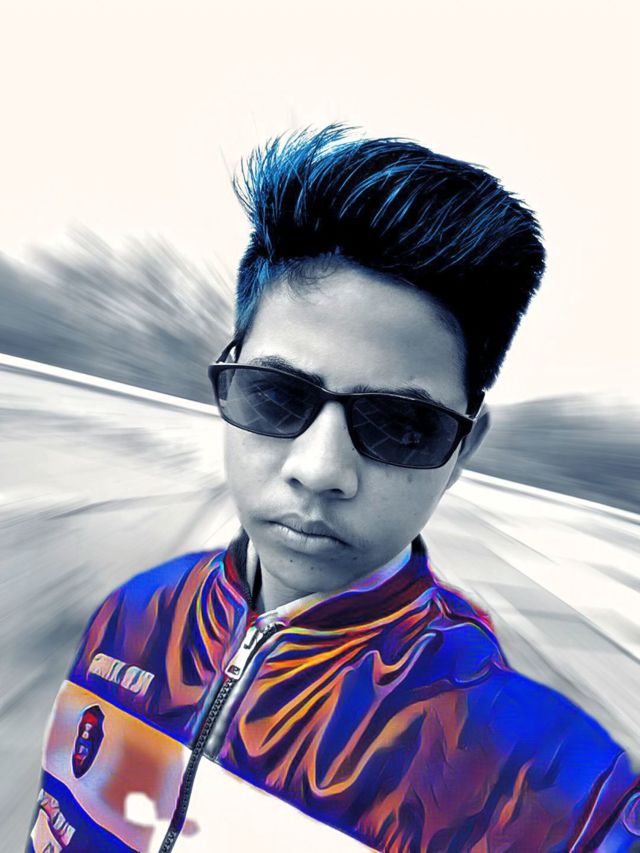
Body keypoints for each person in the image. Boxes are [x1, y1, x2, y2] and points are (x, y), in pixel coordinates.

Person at [27, 125, 639, 852]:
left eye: (400, 424)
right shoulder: (133, 616)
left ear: (463, 449)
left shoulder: (552, 796)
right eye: (277, 395)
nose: (319, 469)